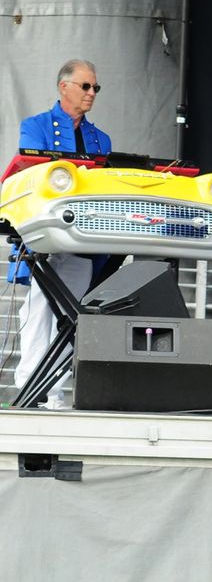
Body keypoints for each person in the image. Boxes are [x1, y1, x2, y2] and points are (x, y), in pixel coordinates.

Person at [12, 59, 113, 409]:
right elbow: (31, 172)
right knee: (39, 309)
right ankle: (29, 388)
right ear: (64, 87)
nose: (91, 94)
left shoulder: (101, 139)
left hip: (83, 236)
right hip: (47, 230)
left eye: (95, 88)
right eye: (85, 86)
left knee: (71, 316)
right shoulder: (36, 126)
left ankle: (53, 393)